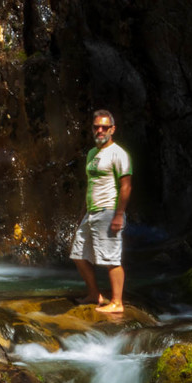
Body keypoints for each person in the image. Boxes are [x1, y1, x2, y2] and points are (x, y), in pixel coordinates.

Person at [72, 109, 133, 314]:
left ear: (112, 129)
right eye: (96, 126)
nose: (100, 130)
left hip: (109, 211)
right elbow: (91, 185)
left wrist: (118, 214)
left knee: (111, 259)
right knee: (78, 254)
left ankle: (117, 302)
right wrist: (83, 213)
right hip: (92, 212)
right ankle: (94, 294)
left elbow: (126, 186)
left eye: (104, 127)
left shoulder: (119, 154)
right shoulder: (92, 153)